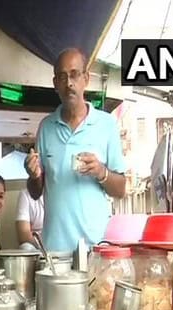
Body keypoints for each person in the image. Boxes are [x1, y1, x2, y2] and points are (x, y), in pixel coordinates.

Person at [24, 47, 126, 252]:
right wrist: (34, 176)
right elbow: (35, 193)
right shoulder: (46, 127)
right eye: (62, 77)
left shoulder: (106, 125)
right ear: (55, 83)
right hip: (55, 250)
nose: (69, 83)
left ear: (86, 78)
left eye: (74, 74)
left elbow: (121, 189)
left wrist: (101, 172)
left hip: (95, 247)